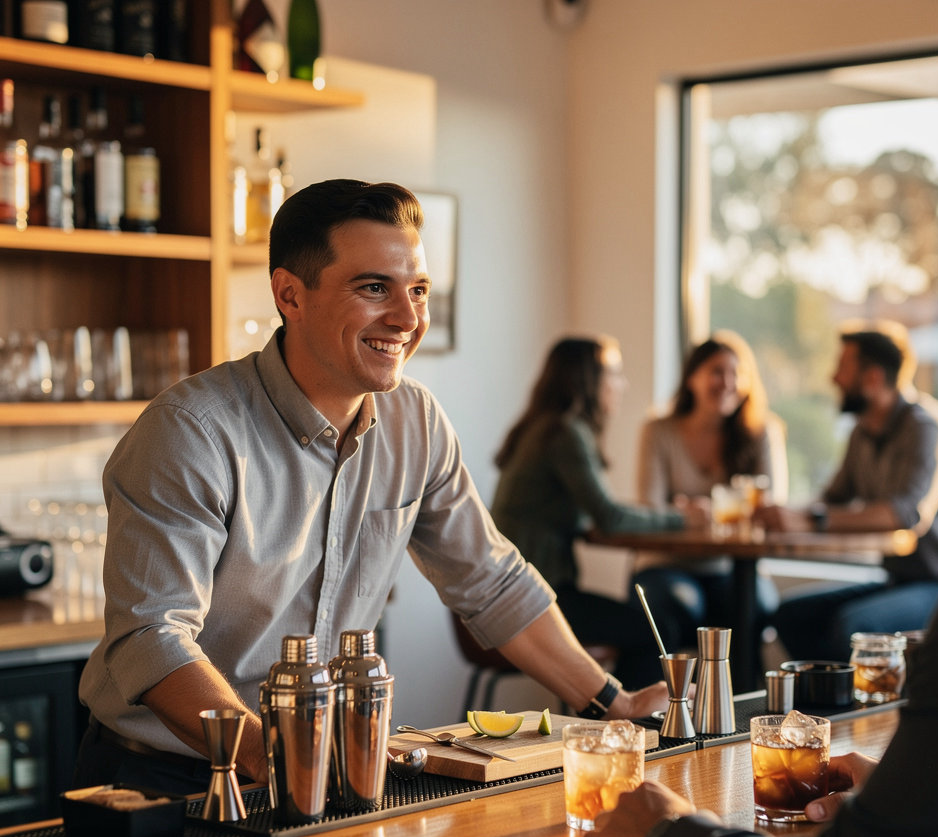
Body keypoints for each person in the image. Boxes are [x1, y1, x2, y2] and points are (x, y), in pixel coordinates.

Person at [74, 180, 668, 796]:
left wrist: (608, 701)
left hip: (321, 771)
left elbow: (493, 584)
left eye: (417, 291)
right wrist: (274, 761)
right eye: (374, 288)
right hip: (164, 778)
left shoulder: (417, 423)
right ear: (290, 295)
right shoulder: (191, 432)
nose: (408, 320)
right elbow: (151, 637)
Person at [584, 209, 938, 837]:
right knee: (802, 615)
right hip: (829, 578)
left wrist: (669, 831)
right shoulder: (859, 438)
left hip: (930, 575)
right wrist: (915, 794)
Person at [762, 319, 938, 663]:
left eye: (842, 367)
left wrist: (813, 520)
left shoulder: (926, 426)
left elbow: (905, 515)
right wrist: (787, 512)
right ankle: (823, 710)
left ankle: (857, 713)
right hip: (901, 579)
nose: (833, 378)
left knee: (854, 628)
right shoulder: (863, 431)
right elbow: (833, 497)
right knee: (791, 615)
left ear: (872, 379)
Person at [490, 335, 701, 689]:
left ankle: (615, 723)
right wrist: (684, 518)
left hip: (515, 592)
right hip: (531, 598)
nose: (622, 383)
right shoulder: (564, 433)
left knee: (649, 623)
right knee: (657, 628)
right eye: (614, 373)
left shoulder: (544, 427)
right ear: (588, 380)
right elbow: (611, 517)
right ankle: (625, 727)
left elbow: (591, 514)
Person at [631, 330, 788, 678]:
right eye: (717, 371)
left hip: (733, 568)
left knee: (755, 605)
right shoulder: (659, 431)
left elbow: (770, 509)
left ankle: (743, 717)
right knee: (672, 603)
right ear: (692, 377)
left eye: (737, 373)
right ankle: (652, 715)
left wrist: (699, 512)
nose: (728, 382)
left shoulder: (761, 433)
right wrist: (719, 512)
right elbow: (648, 508)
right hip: (665, 565)